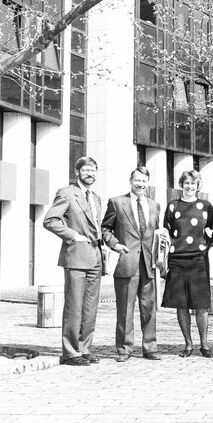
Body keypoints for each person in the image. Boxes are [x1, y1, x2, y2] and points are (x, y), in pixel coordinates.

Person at [43, 156, 103, 366]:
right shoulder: (67, 193)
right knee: (74, 306)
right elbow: (50, 220)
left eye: (93, 170)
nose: (90, 174)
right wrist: (73, 235)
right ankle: (70, 352)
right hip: (76, 256)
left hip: (96, 257)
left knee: (90, 307)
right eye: (86, 170)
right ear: (77, 172)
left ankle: (84, 349)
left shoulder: (96, 197)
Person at [101, 166, 162, 362]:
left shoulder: (154, 205)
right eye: (137, 180)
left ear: (148, 183)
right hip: (126, 263)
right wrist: (115, 244)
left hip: (148, 264)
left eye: (144, 181)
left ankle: (150, 347)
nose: (141, 184)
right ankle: (124, 349)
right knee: (125, 309)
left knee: (149, 307)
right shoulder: (117, 203)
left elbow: (157, 233)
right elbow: (105, 230)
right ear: (131, 181)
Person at [162, 170, 213, 358]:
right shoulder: (172, 206)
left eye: (193, 183)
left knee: (201, 304)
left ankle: (204, 344)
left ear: (198, 185)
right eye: (186, 183)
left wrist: (205, 248)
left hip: (198, 260)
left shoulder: (206, 206)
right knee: (181, 304)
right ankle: (188, 344)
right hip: (177, 260)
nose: (190, 186)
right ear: (181, 184)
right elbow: (166, 233)